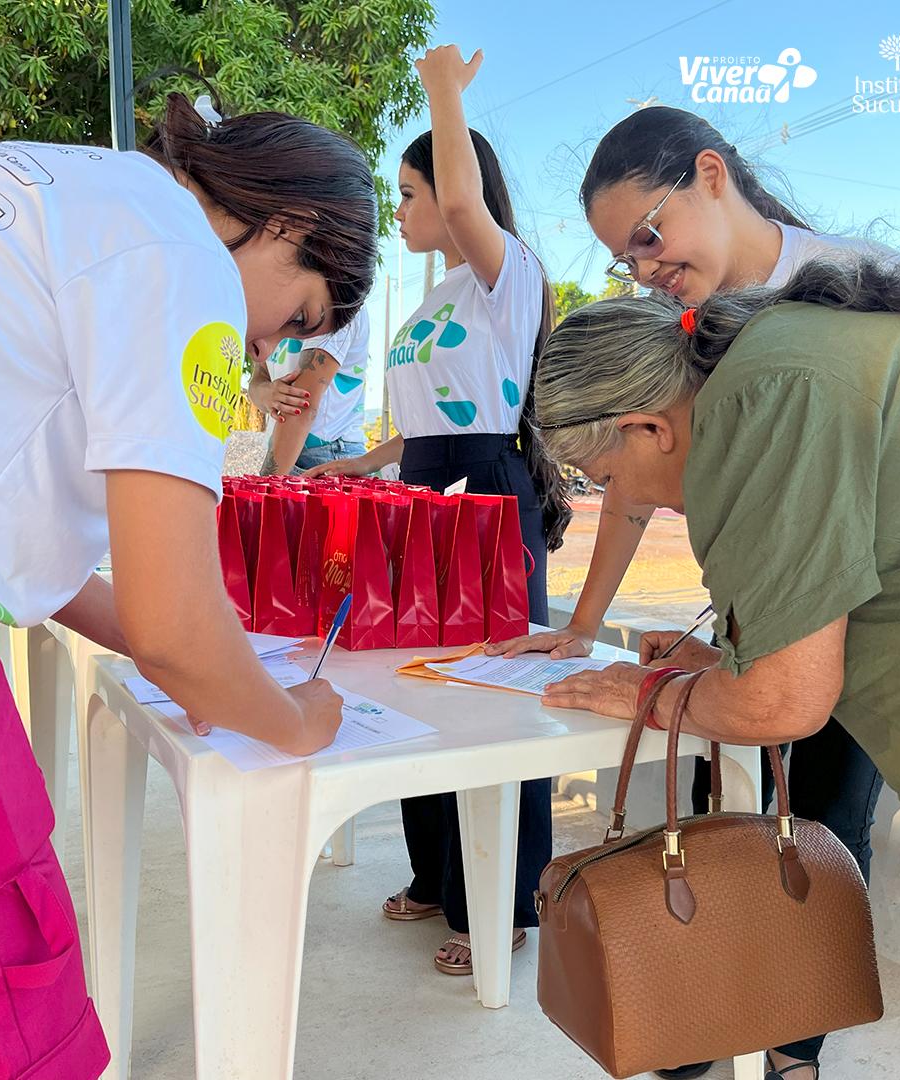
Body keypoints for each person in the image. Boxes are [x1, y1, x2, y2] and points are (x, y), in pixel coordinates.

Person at [0, 93, 377, 1077]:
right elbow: (172, 626)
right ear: (290, 225)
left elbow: (2, 534)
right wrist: (288, 716)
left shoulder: (39, 180)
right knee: (4, 1011)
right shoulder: (185, 263)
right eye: (298, 317)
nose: (267, 349)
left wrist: (210, 661)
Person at [488, 107, 899, 1078]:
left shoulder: (811, 340)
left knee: (818, 808)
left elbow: (792, 681)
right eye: (626, 258)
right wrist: (699, 648)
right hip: (840, 584)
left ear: (711, 177)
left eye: (647, 236)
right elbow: (744, 528)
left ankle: (788, 1039)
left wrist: (663, 689)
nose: (644, 266)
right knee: (733, 793)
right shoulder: (699, 356)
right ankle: (715, 1009)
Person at [531, 258, 900, 1080]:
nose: (646, 506)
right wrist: (722, 659)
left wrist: (654, 693)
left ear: (649, 428)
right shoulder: (793, 353)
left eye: (613, 482)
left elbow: (781, 702)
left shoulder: (752, 398)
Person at [307, 44, 571, 975]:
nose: (407, 209)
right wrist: (364, 470)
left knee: (488, 696)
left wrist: (441, 93)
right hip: (423, 492)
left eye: (409, 191)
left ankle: (500, 902)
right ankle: (436, 877)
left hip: (485, 502)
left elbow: (467, 206)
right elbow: (425, 420)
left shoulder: (509, 275)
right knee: (420, 682)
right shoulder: (435, 299)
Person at [248, 306, 371, 475]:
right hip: (283, 447)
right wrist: (268, 393)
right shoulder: (278, 306)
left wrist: (266, 488)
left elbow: (302, 408)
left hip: (328, 454)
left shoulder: (338, 297)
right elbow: (256, 380)